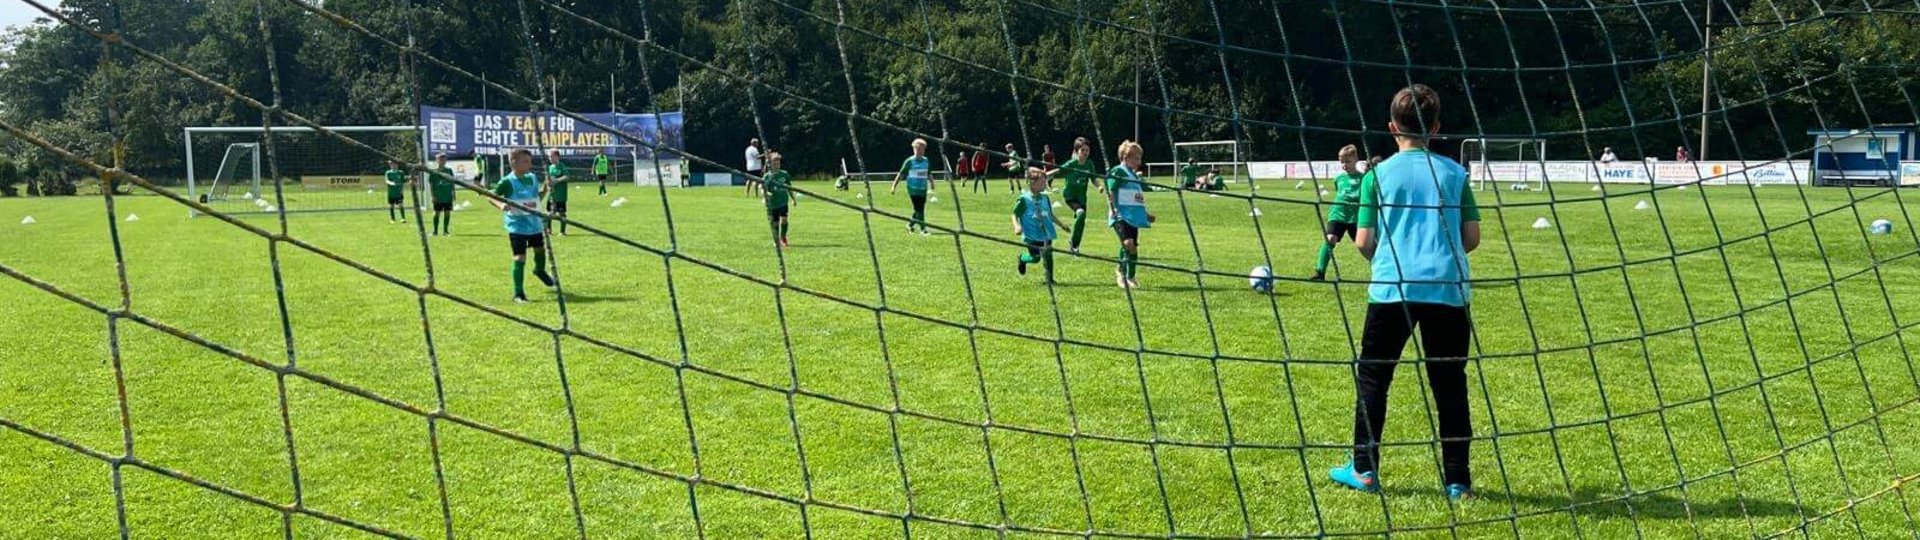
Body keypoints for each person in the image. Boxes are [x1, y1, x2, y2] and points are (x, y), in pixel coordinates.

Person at [1329, 84, 1481, 502]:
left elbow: (1362, 241)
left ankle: (1363, 469)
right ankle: (1457, 481)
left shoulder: (1377, 175)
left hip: (1392, 287)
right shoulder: (1455, 173)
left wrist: (1393, 260)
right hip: (1447, 289)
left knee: (1374, 377)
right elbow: (1471, 237)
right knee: (1450, 384)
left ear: (1391, 127)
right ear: (1436, 127)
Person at [490, 149, 556, 303]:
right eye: (526, 161)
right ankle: (518, 294)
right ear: (514, 163)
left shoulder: (532, 178)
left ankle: (539, 270)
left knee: (540, 250)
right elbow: (491, 196)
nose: (530, 164)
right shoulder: (507, 181)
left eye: (530, 161)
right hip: (517, 226)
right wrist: (501, 205)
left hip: (534, 224)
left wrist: (545, 190)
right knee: (520, 258)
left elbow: (536, 199)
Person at [1311, 145, 1366, 281]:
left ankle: (1380, 273)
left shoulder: (1364, 179)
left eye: (1347, 161)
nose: (1344, 165)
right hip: (1338, 215)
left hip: (1356, 218)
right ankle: (1319, 273)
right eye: (1342, 162)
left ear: (1356, 159)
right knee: (1330, 239)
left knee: (1365, 246)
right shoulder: (1339, 179)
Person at [1106, 140, 1154, 289]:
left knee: (1132, 247)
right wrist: (1113, 209)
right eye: (1137, 158)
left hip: (1133, 217)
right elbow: (1111, 191)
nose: (1139, 162)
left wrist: (1145, 214)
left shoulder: (1134, 176)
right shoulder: (1118, 171)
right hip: (1120, 215)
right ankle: (1121, 272)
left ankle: (1131, 276)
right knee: (1128, 243)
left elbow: (1136, 197)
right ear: (1126, 157)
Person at [1013, 167, 1070, 282]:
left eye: (1045, 181)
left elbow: (1050, 214)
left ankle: (1049, 279)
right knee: (1036, 258)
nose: (1045, 183)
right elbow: (1014, 214)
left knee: (1048, 253)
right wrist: (1017, 226)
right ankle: (1022, 258)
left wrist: (1062, 225)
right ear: (1032, 183)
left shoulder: (1045, 197)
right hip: (1031, 234)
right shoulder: (1024, 199)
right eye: (1042, 182)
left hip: (1045, 232)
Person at [1045, 138, 1098, 253]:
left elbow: (1094, 178)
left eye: (1087, 150)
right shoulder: (1072, 163)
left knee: (1081, 220)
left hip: (1082, 198)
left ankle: (1074, 244)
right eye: (1082, 150)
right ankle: (1074, 246)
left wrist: (1099, 186)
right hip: (1070, 197)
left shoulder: (1089, 164)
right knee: (1081, 213)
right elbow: (1058, 170)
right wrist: (1045, 174)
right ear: (1077, 151)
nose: (1085, 152)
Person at [889, 138, 935, 235]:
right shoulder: (909, 161)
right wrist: (894, 186)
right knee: (920, 209)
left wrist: (932, 183)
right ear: (914, 149)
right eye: (917, 149)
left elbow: (929, 173)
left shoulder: (926, 161)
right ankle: (923, 229)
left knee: (918, 209)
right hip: (913, 189)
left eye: (922, 149)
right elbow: (900, 174)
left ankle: (910, 225)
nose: (919, 151)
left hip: (923, 188)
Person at [762, 152, 794, 248]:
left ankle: (783, 238)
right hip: (773, 204)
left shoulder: (784, 174)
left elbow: (789, 187)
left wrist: (793, 199)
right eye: (775, 164)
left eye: (778, 164)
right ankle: (776, 240)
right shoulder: (767, 177)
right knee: (775, 223)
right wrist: (767, 194)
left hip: (783, 202)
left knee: (784, 220)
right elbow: (763, 189)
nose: (777, 166)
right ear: (770, 164)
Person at [544, 149, 574, 236]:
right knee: (549, 213)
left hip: (561, 195)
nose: (550, 158)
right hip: (551, 195)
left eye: (552, 156)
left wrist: (556, 181)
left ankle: (562, 232)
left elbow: (567, 176)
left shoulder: (561, 166)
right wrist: (547, 186)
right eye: (549, 156)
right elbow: (547, 180)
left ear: (557, 157)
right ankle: (549, 231)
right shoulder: (549, 167)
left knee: (561, 213)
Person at [429, 153, 457, 236]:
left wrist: (454, 192)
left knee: (447, 212)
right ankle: (435, 231)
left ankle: (445, 231)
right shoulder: (433, 172)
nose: (442, 161)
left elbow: (452, 182)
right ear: (437, 160)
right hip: (438, 196)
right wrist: (433, 196)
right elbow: (431, 184)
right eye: (440, 159)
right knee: (436, 213)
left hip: (447, 196)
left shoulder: (449, 170)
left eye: (444, 159)